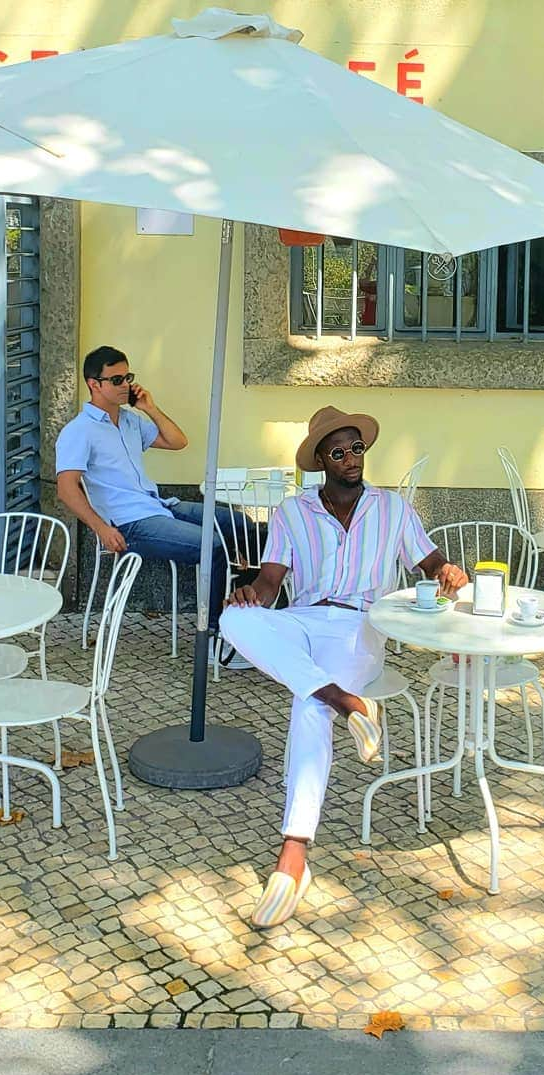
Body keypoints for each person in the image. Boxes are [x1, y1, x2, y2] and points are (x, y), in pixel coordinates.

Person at [219, 406, 469, 928]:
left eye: (358, 448)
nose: (352, 459)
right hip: (303, 618)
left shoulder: (392, 508)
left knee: (308, 708)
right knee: (232, 622)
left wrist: (448, 571)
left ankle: (293, 855)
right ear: (320, 461)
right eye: (340, 451)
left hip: (359, 626)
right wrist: (252, 596)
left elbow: (429, 562)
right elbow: (270, 583)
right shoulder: (293, 512)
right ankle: (349, 703)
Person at [56, 344, 239, 649]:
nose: (125, 385)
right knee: (214, 546)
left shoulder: (130, 421)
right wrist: (101, 529)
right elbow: (65, 489)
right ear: (94, 384)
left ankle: (249, 616)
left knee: (238, 523)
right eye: (116, 380)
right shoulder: (79, 431)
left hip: (159, 506)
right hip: (130, 524)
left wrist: (149, 408)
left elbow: (178, 441)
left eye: (127, 377)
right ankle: (217, 637)